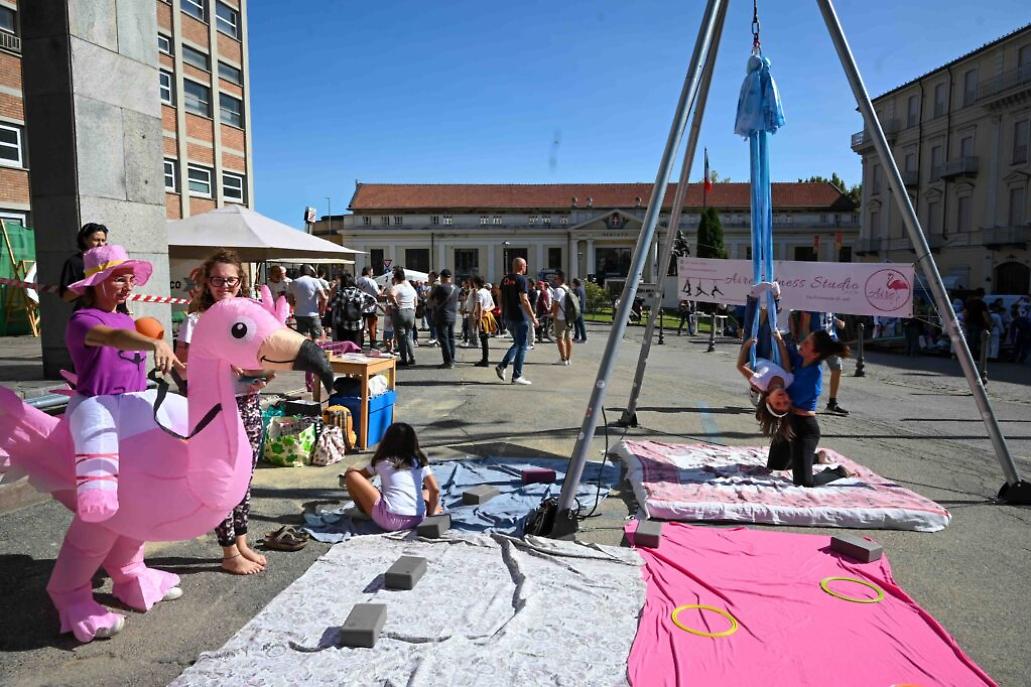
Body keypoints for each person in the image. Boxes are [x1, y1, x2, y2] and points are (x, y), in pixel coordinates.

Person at [64, 245, 185, 523]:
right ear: (95, 284)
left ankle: (128, 557)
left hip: (132, 411)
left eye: (130, 278)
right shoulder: (82, 320)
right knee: (104, 492)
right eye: (119, 278)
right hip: (99, 410)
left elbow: (128, 344)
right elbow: (112, 338)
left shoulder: (126, 320)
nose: (128, 286)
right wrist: (154, 342)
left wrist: (182, 367)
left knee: (138, 489)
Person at [174, 249, 273, 575]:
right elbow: (183, 370)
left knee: (244, 479)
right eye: (217, 279)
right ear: (207, 282)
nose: (224, 285)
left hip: (248, 403)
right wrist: (217, 362)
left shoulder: (248, 315)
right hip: (215, 411)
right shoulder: (195, 320)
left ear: (241, 281)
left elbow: (265, 358)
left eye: (231, 279)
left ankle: (242, 542)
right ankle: (228, 550)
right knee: (222, 481)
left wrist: (260, 376)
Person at [766, 330, 851, 488]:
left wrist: (770, 393)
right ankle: (816, 458)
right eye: (804, 340)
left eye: (806, 344)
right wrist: (777, 338)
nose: (802, 344)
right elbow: (785, 353)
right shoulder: (800, 359)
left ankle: (839, 471)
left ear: (815, 354)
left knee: (804, 482)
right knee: (775, 465)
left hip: (805, 429)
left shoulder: (814, 376)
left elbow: (787, 400)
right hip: (789, 422)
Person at [342, 423, 442, 532]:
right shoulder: (419, 461)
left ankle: (363, 511)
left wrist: (351, 470)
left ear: (387, 440)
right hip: (418, 519)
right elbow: (435, 490)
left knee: (352, 475)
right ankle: (434, 509)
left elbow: (361, 476)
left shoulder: (382, 460)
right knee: (427, 491)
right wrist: (434, 512)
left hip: (390, 520)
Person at [735, 283, 793, 441]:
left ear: (768, 399)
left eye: (778, 403)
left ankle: (753, 297)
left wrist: (746, 346)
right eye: (785, 402)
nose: (782, 399)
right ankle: (776, 298)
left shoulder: (760, 383)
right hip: (766, 357)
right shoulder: (788, 380)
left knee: (751, 327)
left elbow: (740, 366)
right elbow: (785, 359)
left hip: (750, 357)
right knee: (769, 328)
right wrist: (780, 341)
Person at [796, 310, 849, 416]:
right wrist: (807, 343)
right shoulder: (813, 302)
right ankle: (802, 401)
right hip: (816, 343)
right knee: (811, 371)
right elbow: (805, 324)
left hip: (831, 341)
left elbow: (830, 318)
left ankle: (832, 403)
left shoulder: (831, 303)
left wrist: (838, 322)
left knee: (837, 368)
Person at [495, 258, 538, 385]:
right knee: (522, 346)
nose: (526, 267)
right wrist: (533, 317)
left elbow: (499, 296)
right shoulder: (521, 280)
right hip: (520, 317)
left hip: (508, 317)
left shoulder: (505, 279)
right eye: (525, 265)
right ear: (522, 266)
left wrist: (503, 310)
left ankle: (502, 366)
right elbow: (524, 300)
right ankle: (516, 376)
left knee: (518, 343)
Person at [59, 223, 109, 304]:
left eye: (103, 240)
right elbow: (66, 296)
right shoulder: (74, 262)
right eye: (96, 240)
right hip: (89, 311)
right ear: (85, 240)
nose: (100, 244)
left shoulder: (109, 260)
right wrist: (88, 283)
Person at [331, 272, 377, 346]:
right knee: (356, 349)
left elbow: (333, 306)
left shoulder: (340, 294)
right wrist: (362, 308)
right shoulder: (360, 293)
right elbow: (374, 300)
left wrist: (332, 293)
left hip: (344, 325)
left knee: (345, 349)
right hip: (357, 325)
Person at [385, 266, 417, 366]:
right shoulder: (410, 287)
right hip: (411, 312)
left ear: (396, 278)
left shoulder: (397, 287)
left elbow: (390, 295)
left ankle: (404, 359)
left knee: (401, 337)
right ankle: (412, 358)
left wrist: (395, 304)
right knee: (409, 336)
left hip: (400, 312)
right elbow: (415, 300)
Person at [430, 268, 460, 369]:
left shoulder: (441, 287)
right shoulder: (456, 288)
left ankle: (448, 361)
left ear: (442, 277)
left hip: (442, 315)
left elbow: (431, 299)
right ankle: (452, 358)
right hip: (453, 315)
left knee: (443, 339)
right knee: (451, 338)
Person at [288, 265, 328, 340]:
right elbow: (324, 297)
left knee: (303, 338)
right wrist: (322, 310)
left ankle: (305, 351)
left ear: (300, 272)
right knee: (316, 338)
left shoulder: (294, 282)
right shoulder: (315, 281)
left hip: (299, 313)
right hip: (313, 313)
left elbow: (290, 299)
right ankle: (316, 350)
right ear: (310, 272)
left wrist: (295, 306)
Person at [550, 270, 574, 366]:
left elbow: (556, 304)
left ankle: (563, 359)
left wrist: (554, 316)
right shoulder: (568, 289)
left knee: (559, 338)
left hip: (560, 317)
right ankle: (568, 358)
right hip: (569, 317)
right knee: (568, 338)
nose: (554, 280)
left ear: (559, 279)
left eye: (555, 278)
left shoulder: (558, 290)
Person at [472, 275, 496, 367]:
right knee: (485, 339)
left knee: (483, 340)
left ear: (476, 283)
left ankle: (485, 360)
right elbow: (493, 305)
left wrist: (479, 322)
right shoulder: (486, 291)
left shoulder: (479, 293)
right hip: (488, 316)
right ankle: (485, 359)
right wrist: (488, 310)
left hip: (483, 318)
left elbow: (480, 309)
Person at [356, 267, 382, 348]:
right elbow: (378, 294)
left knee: (361, 326)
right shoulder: (372, 281)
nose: (373, 274)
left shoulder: (358, 281)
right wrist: (383, 289)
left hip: (360, 306)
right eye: (372, 272)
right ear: (369, 272)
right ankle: (373, 343)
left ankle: (360, 342)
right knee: (372, 326)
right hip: (371, 307)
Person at [963, 288, 991, 359]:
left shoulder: (968, 303)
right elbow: (985, 315)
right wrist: (988, 324)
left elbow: (965, 313)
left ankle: (967, 355)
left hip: (969, 323)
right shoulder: (982, 304)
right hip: (978, 324)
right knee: (975, 341)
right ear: (982, 295)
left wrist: (965, 321)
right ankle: (972, 357)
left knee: (969, 340)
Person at [572, 278, 588, 343]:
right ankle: (576, 336)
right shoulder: (582, 289)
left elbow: (577, 299)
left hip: (578, 309)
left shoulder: (577, 290)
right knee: (576, 323)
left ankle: (584, 338)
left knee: (580, 324)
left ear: (575, 283)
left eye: (573, 282)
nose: (572, 284)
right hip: (581, 308)